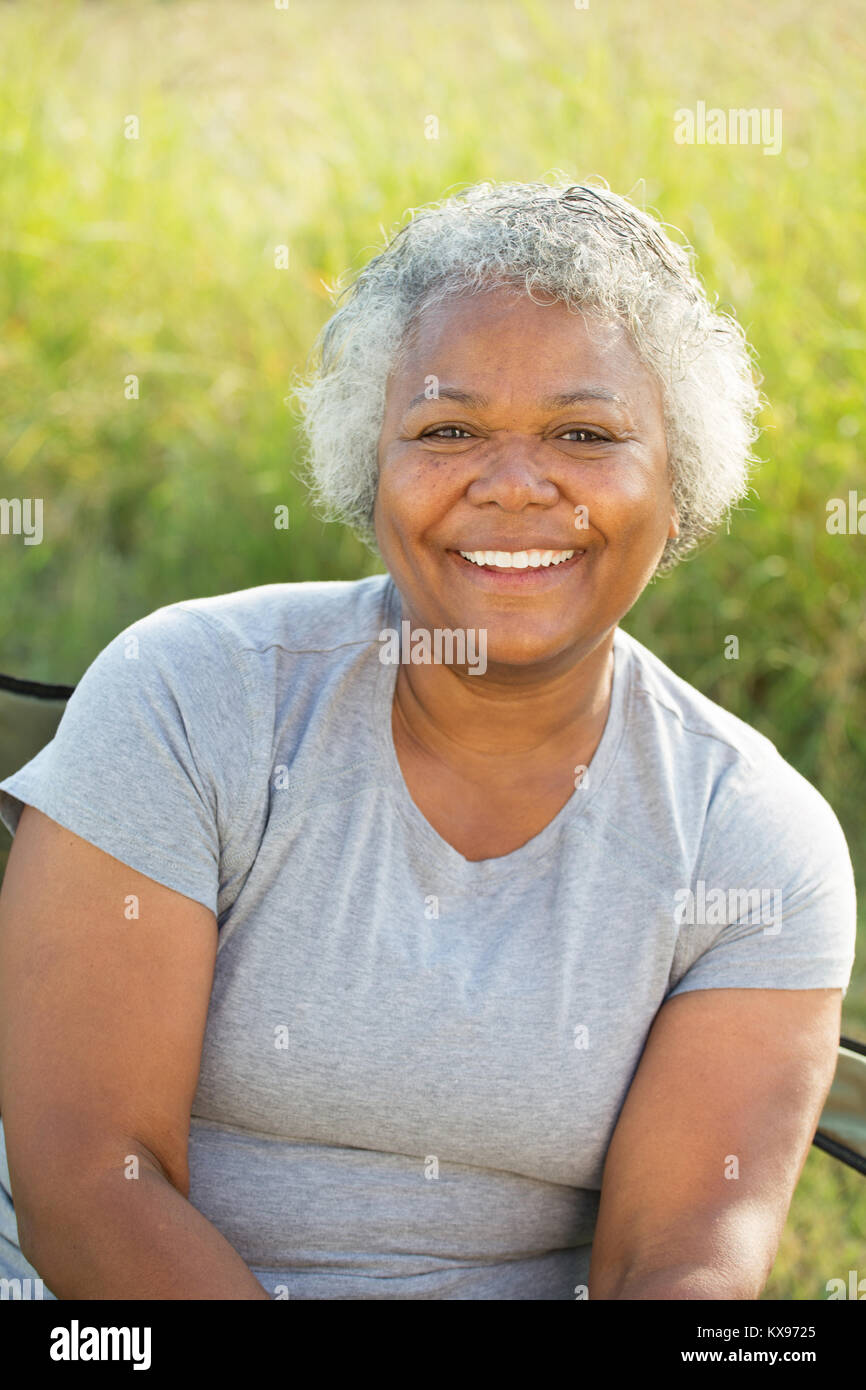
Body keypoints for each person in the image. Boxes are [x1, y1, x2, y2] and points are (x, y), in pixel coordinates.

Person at [0, 180, 856, 1301]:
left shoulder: (750, 839)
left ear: (677, 481)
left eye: (583, 433)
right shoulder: (187, 693)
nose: (511, 485)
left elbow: (676, 1263)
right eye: (446, 429)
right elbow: (91, 1185)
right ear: (372, 464)